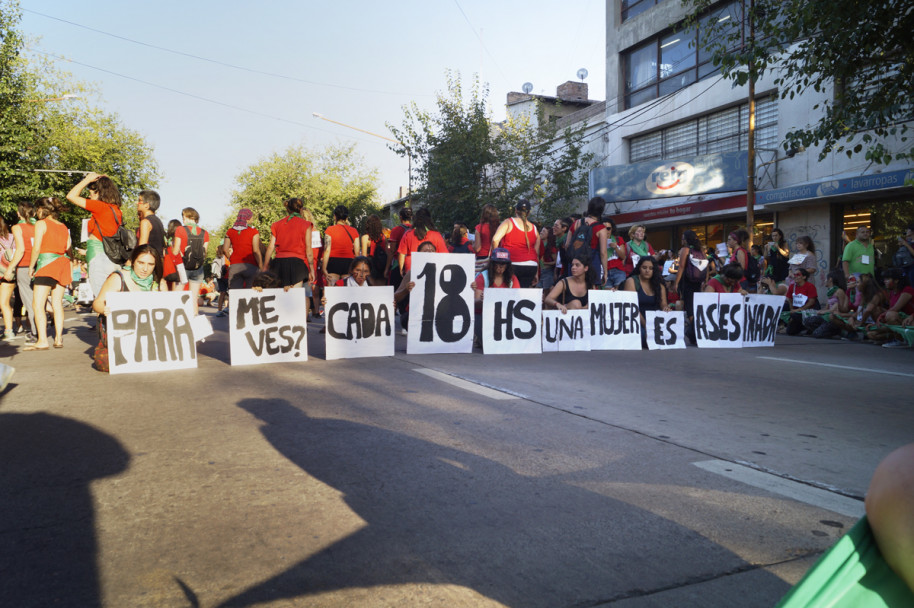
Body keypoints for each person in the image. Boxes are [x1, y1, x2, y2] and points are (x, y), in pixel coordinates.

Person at [91, 245, 162, 372]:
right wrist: (104, 309)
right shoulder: (118, 278)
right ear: (133, 261)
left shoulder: (157, 282)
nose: (145, 269)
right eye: (141, 263)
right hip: (122, 337)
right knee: (108, 362)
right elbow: (97, 303)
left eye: (150, 264)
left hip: (149, 336)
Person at [66, 172, 124, 298]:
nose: (89, 195)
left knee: (101, 299)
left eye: (91, 192)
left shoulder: (100, 207)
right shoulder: (117, 210)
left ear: (98, 192)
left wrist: (87, 180)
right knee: (113, 298)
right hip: (112, 256)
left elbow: (71, 196)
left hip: (98, 258)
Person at [27, 197, 72, 350]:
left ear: (42, 209)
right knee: (57, 303)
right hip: (63, 264)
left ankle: (42, 340)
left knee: (38, 304)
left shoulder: (41, 224)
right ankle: (58, 339)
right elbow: (69, 249)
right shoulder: (64, 226)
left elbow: (37, 248)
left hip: (47, 264)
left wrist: (31, 266)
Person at [262, 198, 315, 312]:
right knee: (295, 298)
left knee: (280, 298)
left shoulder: (277, 224)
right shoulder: (306, 225)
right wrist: (311, 270)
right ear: (301, 209)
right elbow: (308, 249)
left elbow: (271, 247)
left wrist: (265, 265)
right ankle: (296, 325)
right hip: (297, 265)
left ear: (287, 209)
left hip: (279, 264)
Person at [2, 202, 37, 341]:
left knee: (29, 301)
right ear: (34, 213)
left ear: (18, 213)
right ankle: (38, 329)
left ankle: (35, 332)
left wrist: (10, 268)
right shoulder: (39, 226)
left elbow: (21, 249)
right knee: (39, 300)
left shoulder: (17, 227)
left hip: (24, 265)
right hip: (39, 264)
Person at [472, 247, 520, 345]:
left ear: (507, 265)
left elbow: (518, 299)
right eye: (497, 263)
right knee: (488, 343)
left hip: (504, 317)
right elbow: (474, 303)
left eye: (503, 264)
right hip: (483, 315)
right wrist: (481, 301)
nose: (500, 267)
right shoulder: (482, 277)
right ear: (492, 264)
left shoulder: (512, 279)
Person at [492, 199, 541, 288]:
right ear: (528, 213)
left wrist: (495, 259)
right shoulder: (534, 228)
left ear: (515, 210)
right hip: (531, 266)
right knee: (522, 295)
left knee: (508, 294)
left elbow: (495, 240)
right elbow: (536, 253)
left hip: (512, 264)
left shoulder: (508, 222)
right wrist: (536, 272)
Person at [393, 241, 439, 335]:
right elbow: (395, 297)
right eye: (426, 250)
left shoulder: (444, 270)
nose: (429, 252)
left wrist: (471, 286)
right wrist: (406, 290)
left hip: (439, 312)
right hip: (417, 314)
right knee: (406, 319)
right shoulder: (412, 272)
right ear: (418, 254)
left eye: (432, 250)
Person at [173, 207, 209, 314]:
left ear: (189, 217)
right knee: (194, 299)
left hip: (182, 266)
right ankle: (194, 321)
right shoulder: (204, 233)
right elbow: (204, 253)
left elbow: (175, 252)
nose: (183, 218)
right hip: (198, 268)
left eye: (183, 216)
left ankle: (175, 320)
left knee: (177, 296)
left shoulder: (180, 230)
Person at [564, 197, 608, 285]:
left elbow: (567, 245)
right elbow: (603, 252)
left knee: (573, 288)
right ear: (601, 210)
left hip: (575, 261)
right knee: (590, 290)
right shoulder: (601, 229)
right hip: (592, 261)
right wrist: (605, 272)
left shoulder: (576, 223)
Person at [397, 207, 448, 275]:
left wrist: (400, 270)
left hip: (411, 270)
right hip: (431, 271)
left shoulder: (408, 233)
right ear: (429, 219)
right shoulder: (436, 235)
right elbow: (444, 255)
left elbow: (401, 254)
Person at [802, 269, 851, 339]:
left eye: (826, 279)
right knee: (807, 320)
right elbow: (826, 308)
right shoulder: (830, 292)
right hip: (826, 316)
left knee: (817, 334)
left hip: (833, 317)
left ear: (830, 279)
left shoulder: (839, 291)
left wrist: (824, 312)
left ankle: (836, 331)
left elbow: (841, 309)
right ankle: (823, 328)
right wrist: (819, 312)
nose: (825, 280)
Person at [224, 208, 262, 294]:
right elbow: (256, 250)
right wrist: (260, 265)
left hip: (235, 266)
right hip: (251, 266)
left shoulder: (230, 231)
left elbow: (225, 249)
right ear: (247, 218)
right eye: (252, 217)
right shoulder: (254, 231)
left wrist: (231, 259)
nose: (252, 219)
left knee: (235, 294)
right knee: (251, 293)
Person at [875, 268, 914, 348]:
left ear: (896, 280)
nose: (885, 281)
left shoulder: (907, 290)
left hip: (910, 319)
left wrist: (881, 316)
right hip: (902, 319)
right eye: (884, 279)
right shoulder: (892, 293)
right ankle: (897, 338)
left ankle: (901, 340)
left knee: (890, 315)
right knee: (871, 334)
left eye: (888, 279)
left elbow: (895, 308)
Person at [322, 205, 360, 285]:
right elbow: (357, 253)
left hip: (333, 261)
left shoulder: (329, 230)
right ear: (346, 217)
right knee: (347, 291)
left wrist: (324, 268)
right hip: (349, 262)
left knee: (331, 292)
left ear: (335, 216)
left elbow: (327, 250)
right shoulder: (354, 231)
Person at [673, 230, 708, 318]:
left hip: (687, 281)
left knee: (688, 305)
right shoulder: (701, 250)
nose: (682, 241)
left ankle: (693, 327)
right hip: (698, 281)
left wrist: (676, 283)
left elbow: (681, 267)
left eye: (682, 239)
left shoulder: (685, 250)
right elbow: (705, 266)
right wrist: (705, 281)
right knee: (695, 304)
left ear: (686, 240)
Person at [624, 256, 670, 322]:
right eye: (644, 267)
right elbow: (631, 308)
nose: (647, 271)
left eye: (651, 268)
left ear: (654, 270)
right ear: (639, 268)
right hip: (635, 321)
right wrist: (646, 325)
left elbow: (663, 304)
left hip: (655, 321)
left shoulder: (659, 284)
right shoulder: (631, 281)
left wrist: (665, 308)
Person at [783, 268, 819, 335]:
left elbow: (811, 302)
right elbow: (789, 299)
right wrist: (791, 309)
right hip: (796, 309)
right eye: (795, 274)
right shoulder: (792, 286)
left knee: (795, 315)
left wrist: (799, 310)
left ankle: (806, 327)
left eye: (798, 275)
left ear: (804, 277)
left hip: (807, 310)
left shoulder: (810, 286)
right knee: (784, 308)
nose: (795, 276)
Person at [302, 208, 324, 316]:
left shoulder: (314, 232)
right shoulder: (314, 232)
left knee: (308, 288)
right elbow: (320, 249)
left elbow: (319, 248)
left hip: (308, 261)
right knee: (313, 287)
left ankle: (313, 311)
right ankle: (313, 311)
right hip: (312, 261)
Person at [360, 214, 389, 286]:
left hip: (371, 265)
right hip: (382, 265)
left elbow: (363, 256)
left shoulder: (365, 238)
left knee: (371, 288)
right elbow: (387, 253)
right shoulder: (383, 237)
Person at [0, 217, 17, 340]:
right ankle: (8, 330)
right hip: (10, 272)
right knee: (5, 302)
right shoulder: (12, 237)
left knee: (4, 303)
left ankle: (9, 330)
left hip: (3, 272)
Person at [136, 190, 166, 256]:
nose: (137, 203)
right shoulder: (158, 221)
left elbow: (142, 247)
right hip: (158, 260)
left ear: (147, 205)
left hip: (148, 260)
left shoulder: (145, 222)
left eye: (139, 201)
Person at [602, 216, 628, 290]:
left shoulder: (618, 239)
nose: (606, 230)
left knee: (621, 293)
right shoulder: (598, 241)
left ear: (612, 229)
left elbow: (623, 256)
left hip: (618, 271)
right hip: (604, 271)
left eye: (608, 228)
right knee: (607, 296)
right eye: (603, 228)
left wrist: (616, 247)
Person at [473, 204, 500, 270]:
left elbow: (477, 248)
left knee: (480, 278)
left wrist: (472, 244)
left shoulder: (479, 227)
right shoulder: (500, 227)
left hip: (482, 258)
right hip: (496, 257)